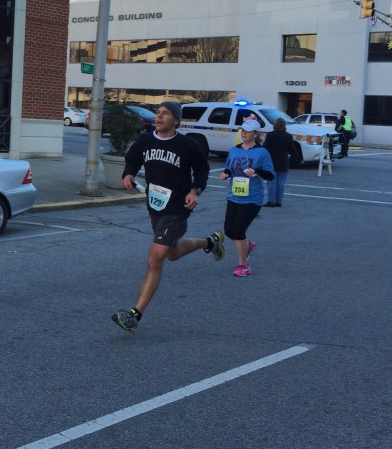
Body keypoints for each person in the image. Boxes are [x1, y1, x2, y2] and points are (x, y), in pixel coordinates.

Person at [111, 101, 225, 333]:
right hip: (155, 205)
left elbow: (202, 170)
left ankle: (135, 315)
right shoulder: (145, 141)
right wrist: (128, 174)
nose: (159, 116)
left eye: (165, 113)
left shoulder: (187, 145)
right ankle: (210, 242)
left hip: (177, 208)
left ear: (176, 120)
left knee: (155, 259)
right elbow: (132, 159)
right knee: (172, 253)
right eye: (158, 113)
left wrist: (194, 191)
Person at [218, 119, 274, 277]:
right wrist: (225, 174)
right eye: (242, 130)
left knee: (238, 230)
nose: (243, 133)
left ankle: (243, 266)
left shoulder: (262, 153)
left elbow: (270, 175)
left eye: (247, 131)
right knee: (229, 230)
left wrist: (256, 170)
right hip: (234, 196)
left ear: (255, 134)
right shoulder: (234, 150)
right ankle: (247, 245)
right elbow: (229, 168)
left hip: (252, 198)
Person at [262, 117, 293, 207]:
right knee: (281, 183)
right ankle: (279, 201)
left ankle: (271, 201)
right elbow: (291, 150)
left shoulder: (270, 135)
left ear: (275, 125)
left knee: (272, 182)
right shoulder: (289, 136)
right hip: (284, 161)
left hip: (272, 161)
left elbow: (265, 148)